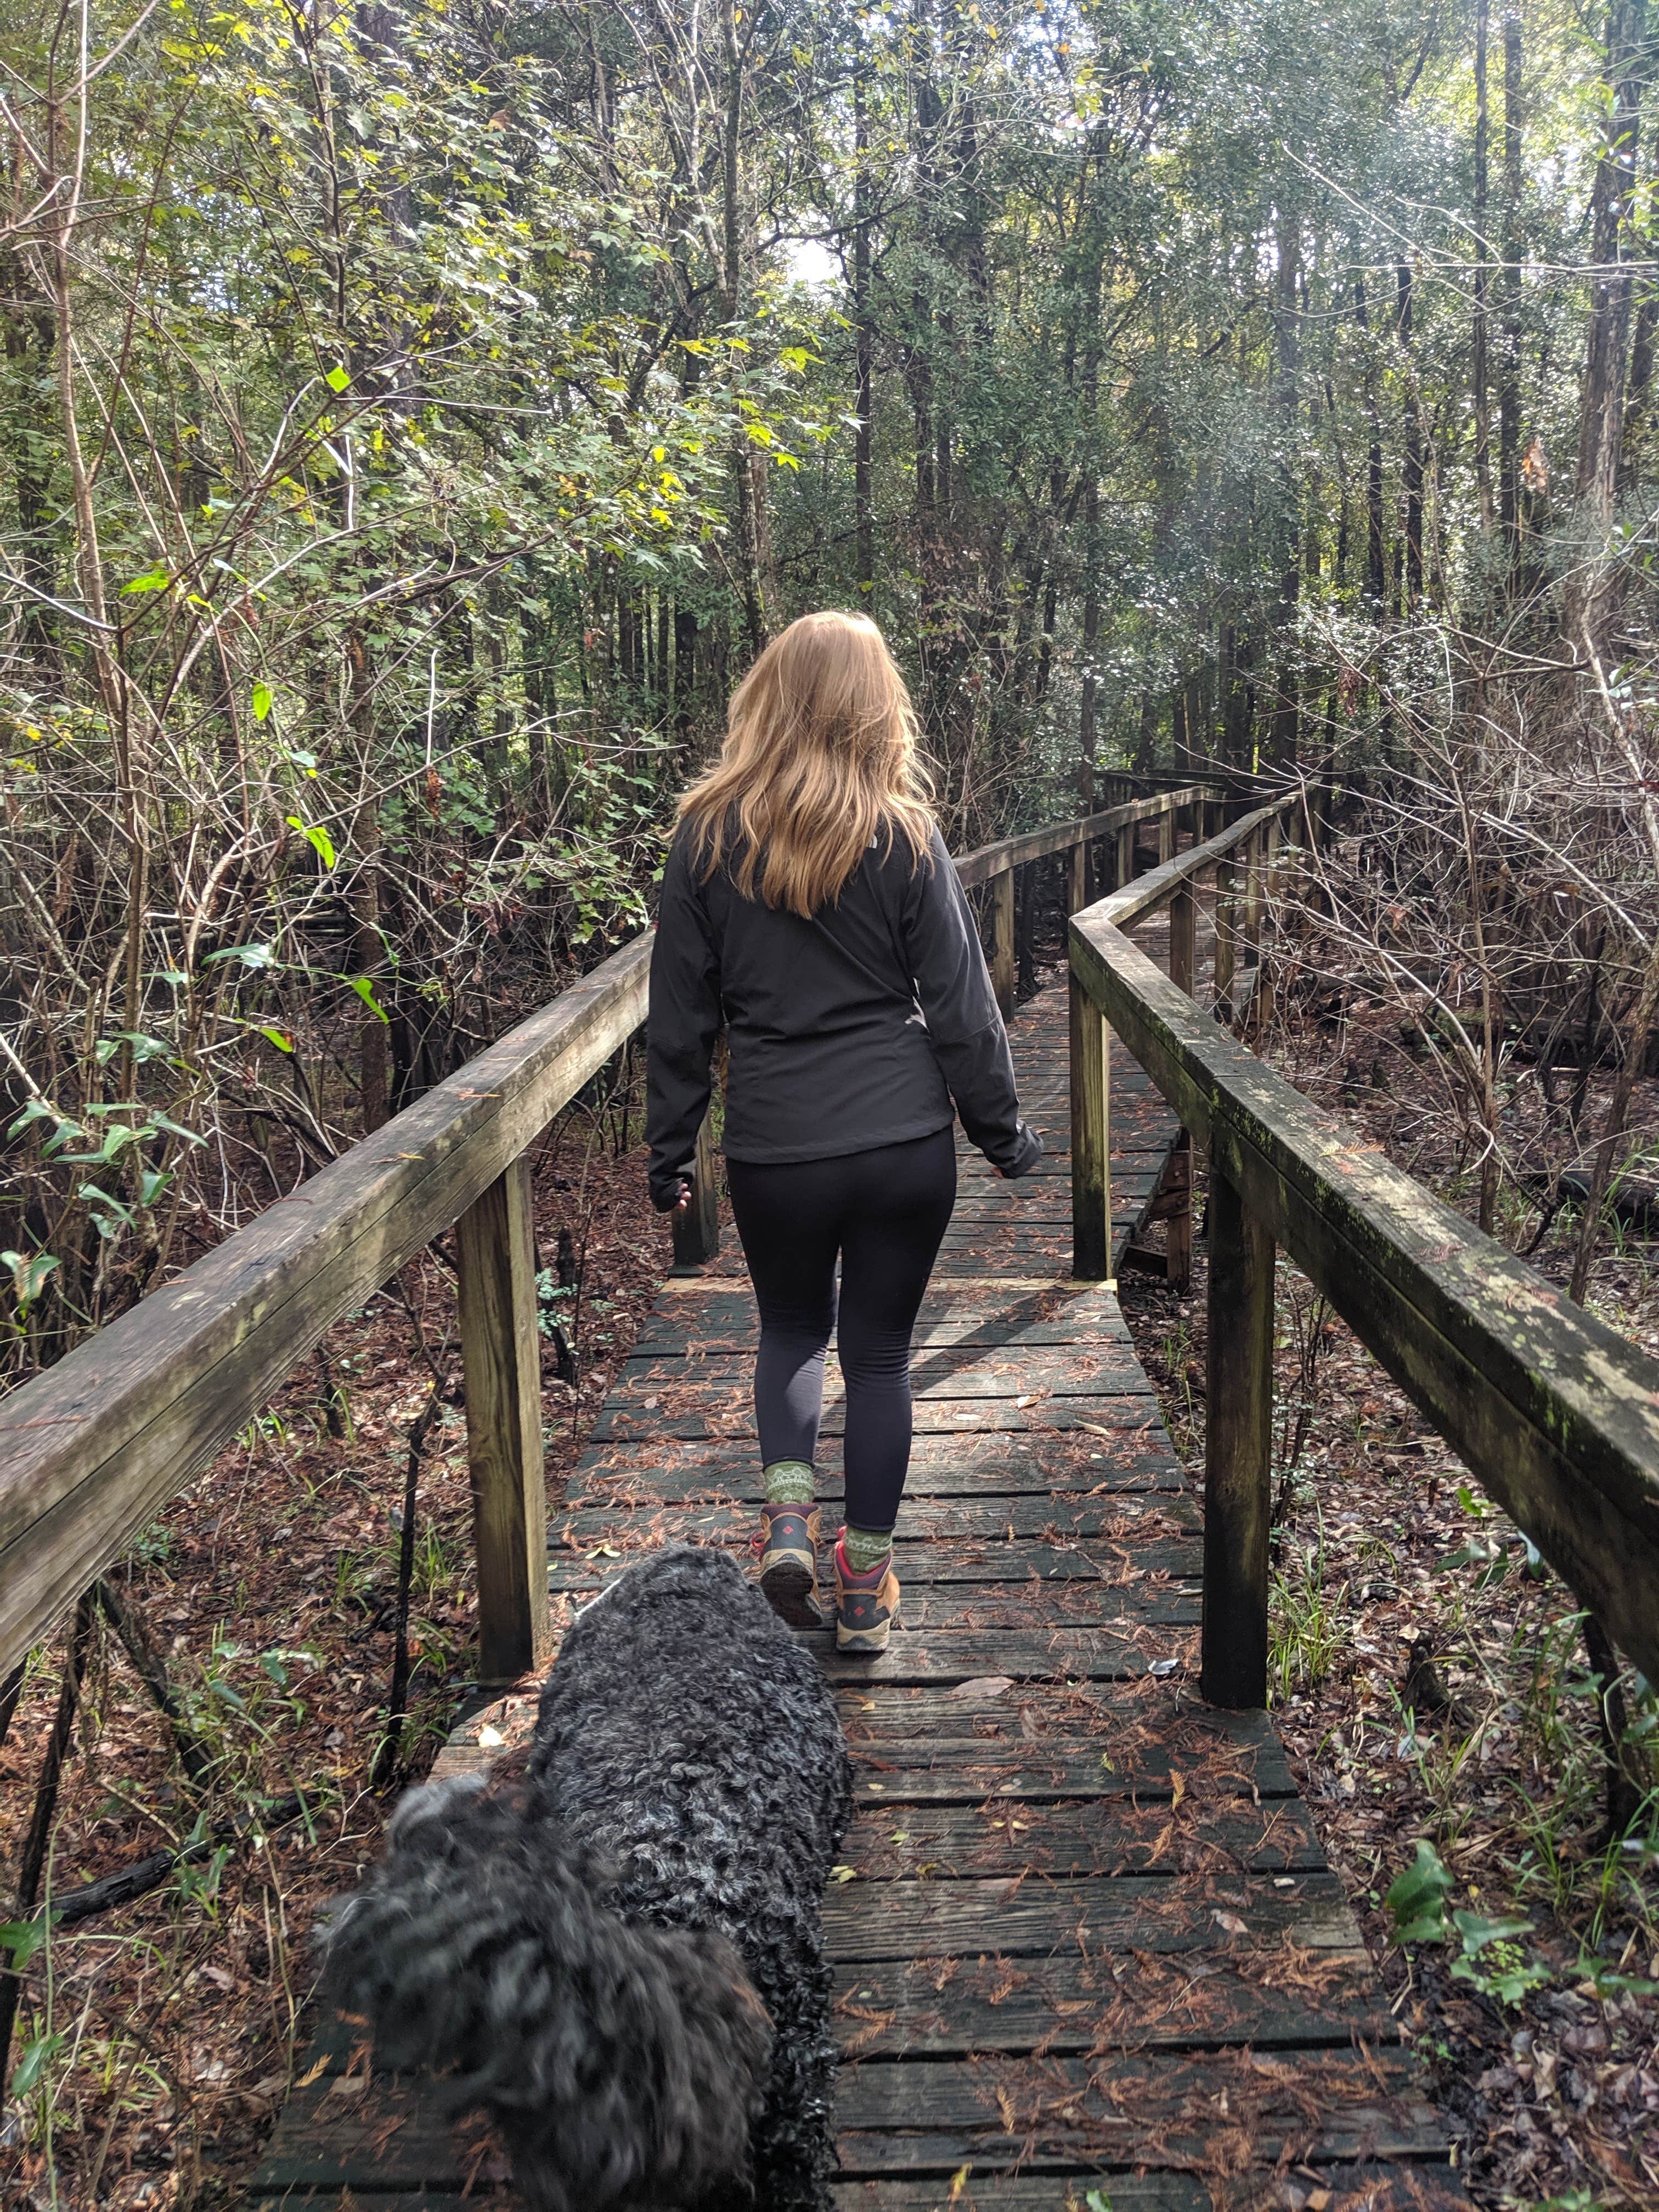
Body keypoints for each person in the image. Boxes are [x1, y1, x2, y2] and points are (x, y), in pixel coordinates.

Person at [645, 611, 1042, 1654]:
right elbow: (962, 1005)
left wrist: (671, 1148)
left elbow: (679, 1012)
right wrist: (1001, 1131)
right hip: (903, 1141)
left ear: (767, 697)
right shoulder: (902, 832)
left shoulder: (706, 835)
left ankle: (787, 1518)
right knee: (877, 1359)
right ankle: (863, 1586)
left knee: (789, 1331)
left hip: (776, 1145)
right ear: (875, 705)